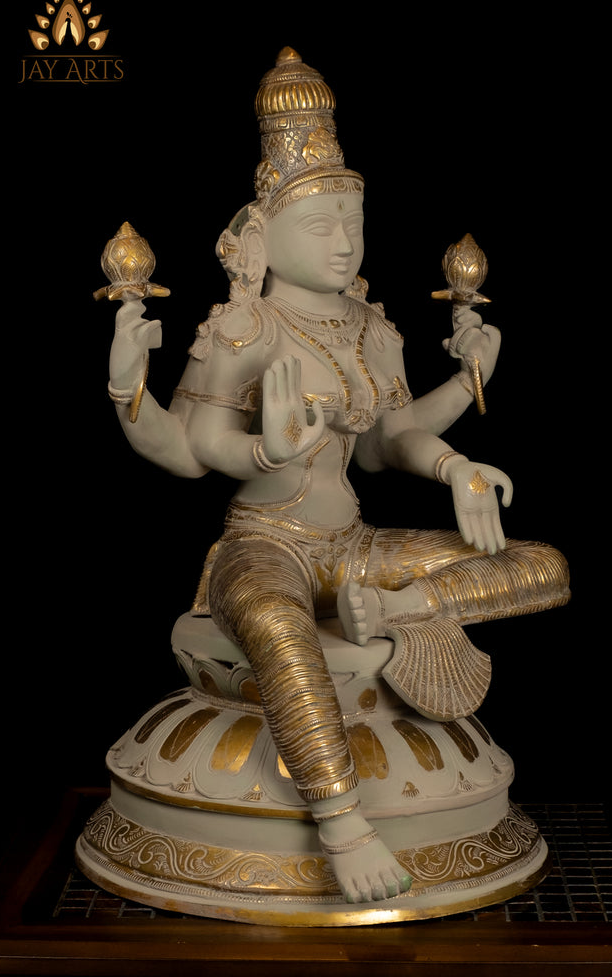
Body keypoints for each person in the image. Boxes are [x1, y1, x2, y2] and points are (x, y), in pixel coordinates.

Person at [104, 48, 569, 905]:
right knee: (282, 633)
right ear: (261, 235)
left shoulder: (369, 327)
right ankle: (344, 822)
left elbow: (391, 439)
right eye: (320, 225)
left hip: (354, 549)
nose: (345, 241)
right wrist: (134, 388)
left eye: (353, 220)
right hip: (265, 546)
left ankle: (398, 613)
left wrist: (460, 446)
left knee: (540, 564)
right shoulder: (244, 327)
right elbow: (189, 450)